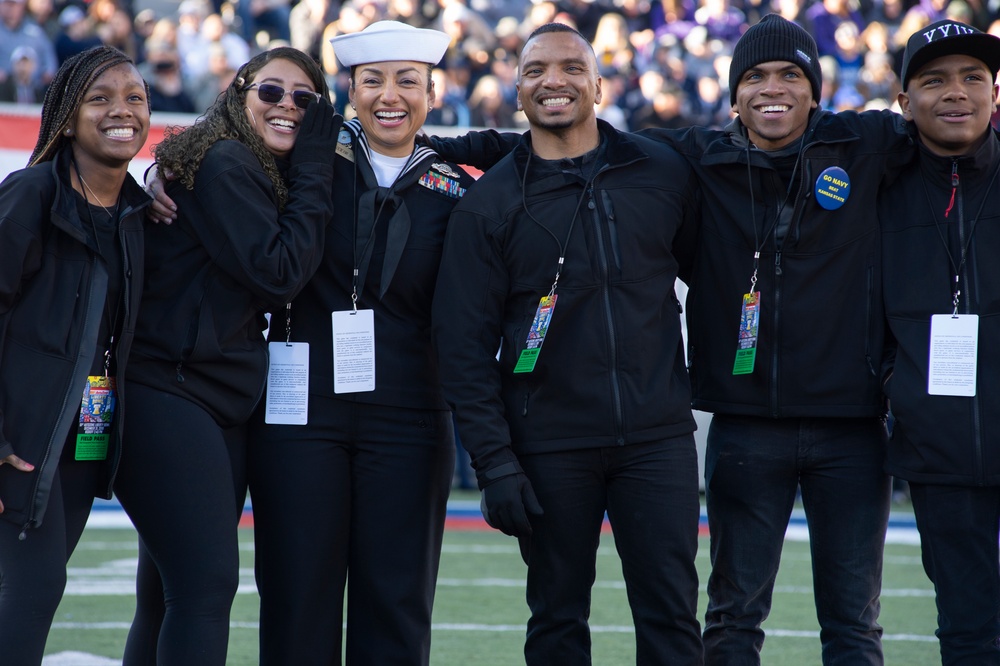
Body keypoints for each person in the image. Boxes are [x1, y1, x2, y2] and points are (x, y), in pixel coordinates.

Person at [640, 15, 911, 665]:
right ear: (733, 94)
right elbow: (571, 144)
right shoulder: (695, 158)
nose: (773, 88)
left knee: (852, 624)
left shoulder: (865, 143)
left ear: (816, 90)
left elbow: (955, 131)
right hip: (744, 425)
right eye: (755, 76)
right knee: (732, 619)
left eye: (791, 74)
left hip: (850, 427)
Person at [432, 22, 704, 665]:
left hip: (657, 438)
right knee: (556, 618)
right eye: (535, 71)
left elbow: (717, 283)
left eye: (571, 68)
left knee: (671, 616)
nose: (553, 81)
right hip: (549, 443)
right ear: (517, 90)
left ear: (599, 84)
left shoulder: (659, 170)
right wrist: (495, 463)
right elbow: (462, 349)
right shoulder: (487, 204)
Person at [246, 21, 475, 665]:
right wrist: (160, 181)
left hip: (410, 417)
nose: (389, 96)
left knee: (396, 607)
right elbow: (218, 163)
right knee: (296, 600)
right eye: (372, 81)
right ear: (349, 91)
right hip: (301, 413)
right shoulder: (300, 158)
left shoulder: (458, 190)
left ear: (432, 92)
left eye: (408, 81)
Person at [113, 46, 339, 665]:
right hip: (171, 389)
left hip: (212, 394)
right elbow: (279, 273)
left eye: (305, 98)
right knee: (205, 589)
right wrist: (317, 161)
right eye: (271, 91)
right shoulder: (226, 160)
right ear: (239, 95)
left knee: (167, 593)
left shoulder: (243, 164)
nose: (287, 105)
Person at [0, 44, 150, 665]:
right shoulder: (31, 193)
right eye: (101, 98)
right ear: (66, 116)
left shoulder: (140, 211)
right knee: (36, 587)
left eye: (135, 98)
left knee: (29, 585)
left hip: (85, 437)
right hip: (25, 435)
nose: (123, 111)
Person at [880, 19, 1000, 665]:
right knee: (968, 631)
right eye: (934, 80)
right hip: (939, 454)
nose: (957, 92)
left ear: (995, 92)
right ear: (904, 103)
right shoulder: (879, 189)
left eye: (973, 78)